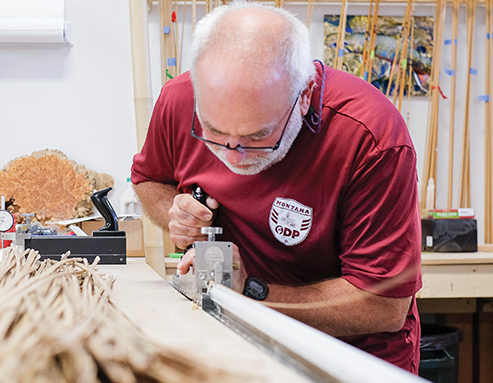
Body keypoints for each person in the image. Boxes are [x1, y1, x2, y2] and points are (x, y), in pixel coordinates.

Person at [131, 1, 422, 374]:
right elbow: (150, 178)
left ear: (303, 97)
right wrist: (176, 212)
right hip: (227, 340)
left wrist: (252, 292)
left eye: (258, 136)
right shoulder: (178, 99)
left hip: (345, 358)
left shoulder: (370, 136)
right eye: (215, 133)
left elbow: (382, 305)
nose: (234, 156)